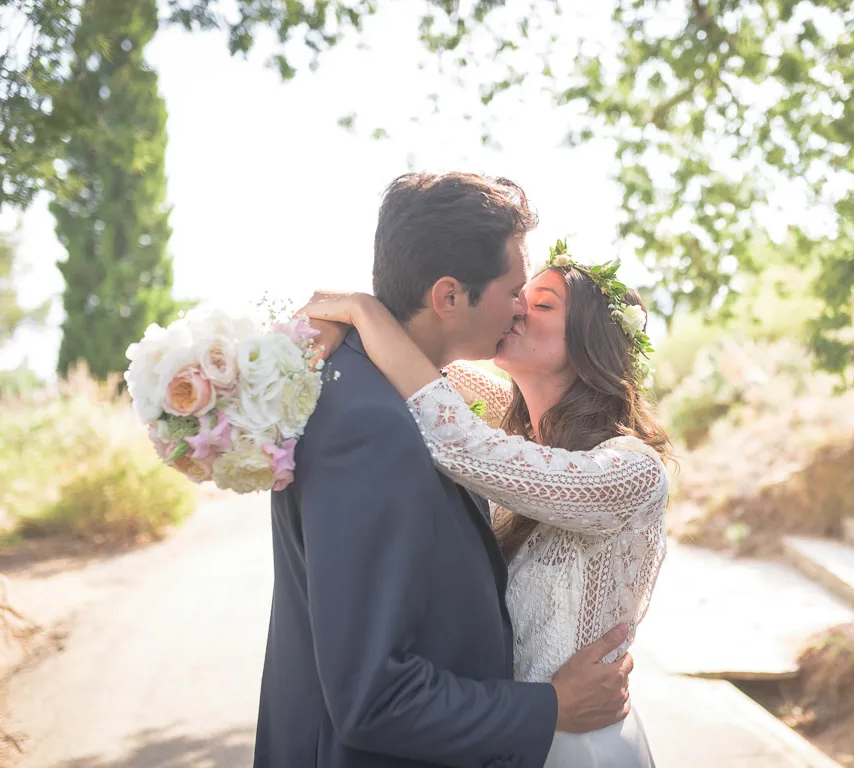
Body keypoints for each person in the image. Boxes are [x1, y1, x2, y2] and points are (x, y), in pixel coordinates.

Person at [254, 173, 634, 768]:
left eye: (538, 302)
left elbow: (461, 430)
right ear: (449, 297)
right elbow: (372, 696)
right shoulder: (372, 423)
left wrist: (358, 313)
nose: (517, 310)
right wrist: (549, 708)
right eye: (516, 291)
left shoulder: (414, 398)